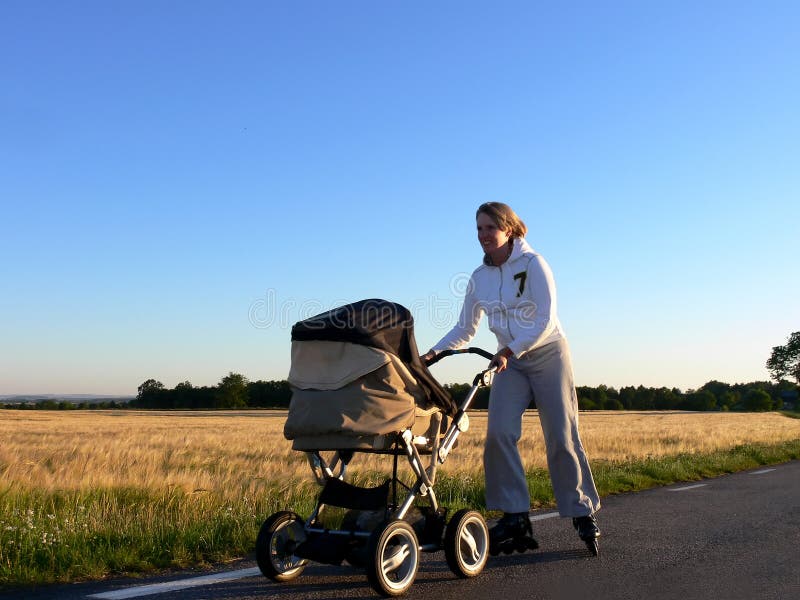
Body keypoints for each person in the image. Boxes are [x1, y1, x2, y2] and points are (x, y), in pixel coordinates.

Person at [421, 202, 600, 553]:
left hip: (547, 352)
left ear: (508, 229)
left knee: (562, 437)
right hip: (509, 362)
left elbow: (545, 318)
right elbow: (464, 328)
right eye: (478, 229)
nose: (483, 235)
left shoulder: (534, 264)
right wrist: (432, 354)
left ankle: (581, 511)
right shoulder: (479, 278)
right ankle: (516, 517)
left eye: (489, 228)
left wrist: (509, 350)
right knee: (499, 434)